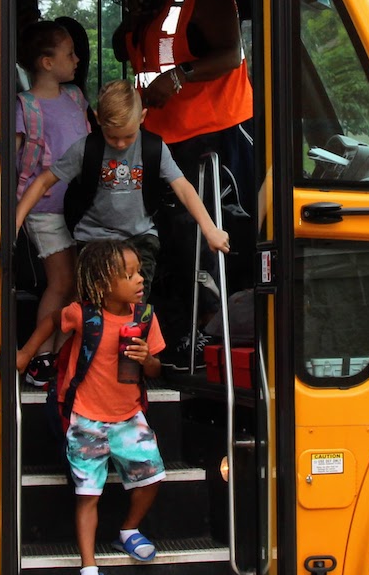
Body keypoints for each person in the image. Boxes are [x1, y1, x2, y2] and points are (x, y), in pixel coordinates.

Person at [14, 80, 228, 378]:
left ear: (142, 119)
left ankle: (126, 373)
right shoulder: (87, 148)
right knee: (89, 307)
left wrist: (210, 229)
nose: (119, 144)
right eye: (112, 137)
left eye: (127, 136)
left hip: (139, 237)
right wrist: (16, 219)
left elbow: (184, 188)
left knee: (133, 302)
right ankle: (83, 370)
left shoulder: (153, 147)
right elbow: (43, 181)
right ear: (98, 120)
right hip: (95, 238)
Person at [114, 0, 254, 357]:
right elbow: (125, 49)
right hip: (162, 137)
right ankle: (177, 335)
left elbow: (230, 53)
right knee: (171, 243)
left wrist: (179, 77)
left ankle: (210, 336)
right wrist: (131, 18)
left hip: (213, 137)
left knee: (203, 241)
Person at [16, 239, 167, 575]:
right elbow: (54, 320)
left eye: (139, 271)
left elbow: (157, 371)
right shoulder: (85, 315)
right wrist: (25, 353)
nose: (139, 279)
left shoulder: (144, 318)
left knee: (152, 477)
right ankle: (88, 569)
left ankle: (129, 530)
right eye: (128, 274)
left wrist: (147, 358)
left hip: (129, 417)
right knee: (87, 495)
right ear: (102, 284)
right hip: (86, 419)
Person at [13, 21, 91, 385]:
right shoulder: (25, 107)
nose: (77, 60)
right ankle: (40, 358)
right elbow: (12, 162)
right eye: (69, 53)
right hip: (43, 207)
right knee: (59, 282)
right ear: (46, 63)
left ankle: (60, 354)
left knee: (78, 283)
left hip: (78, 206)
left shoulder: (75, 97)